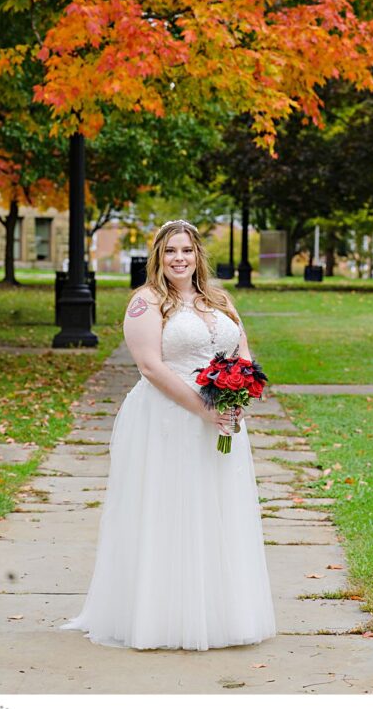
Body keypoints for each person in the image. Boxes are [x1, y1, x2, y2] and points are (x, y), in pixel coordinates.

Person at [63, 219, 276, 650]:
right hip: (167, 419)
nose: (179, 258)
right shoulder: (146, 303)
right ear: (158, 257)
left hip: (221, 417)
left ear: (198, 255)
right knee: (170, 511)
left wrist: (238, 395)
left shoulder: (218, 299)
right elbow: (150, 367)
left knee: (217, 510)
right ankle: (163, 618)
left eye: (187, 250)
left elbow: (242, 352)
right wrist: (204, 410)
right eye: (170, 251)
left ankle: (221, 614)